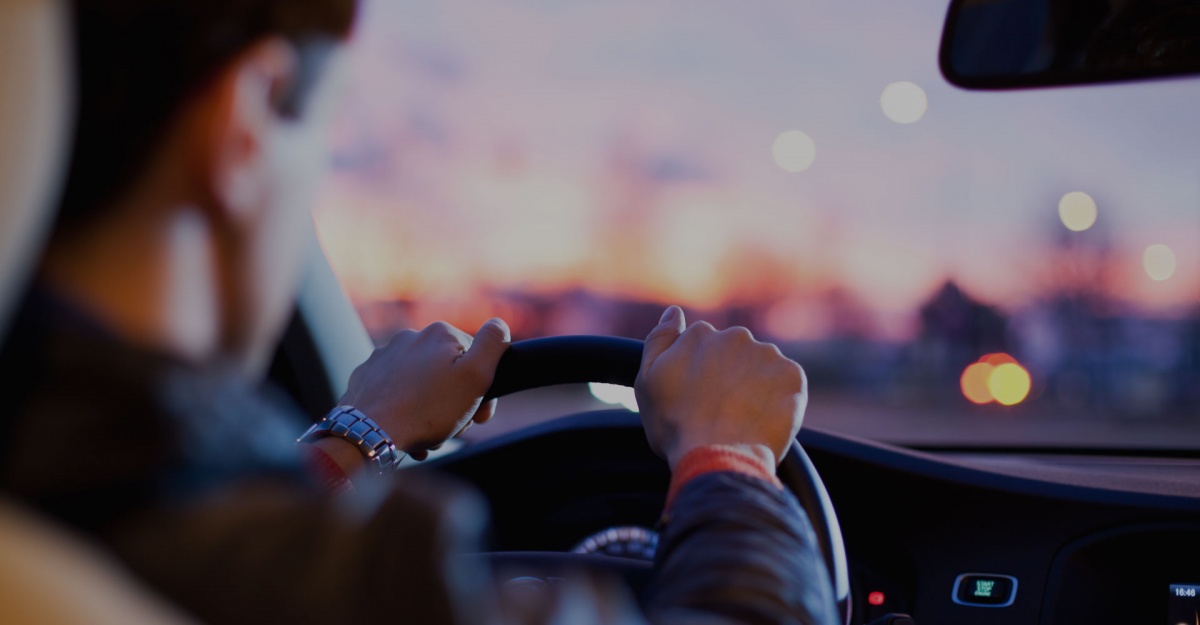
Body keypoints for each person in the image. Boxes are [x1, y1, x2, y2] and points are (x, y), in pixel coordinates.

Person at [0, 1, 838, 624]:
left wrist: (354, 435)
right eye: (322, 146)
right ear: (247, 119)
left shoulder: (63, 485)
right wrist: (729, 459)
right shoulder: (373, 591)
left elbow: (207, 523)